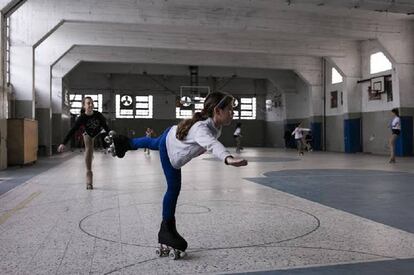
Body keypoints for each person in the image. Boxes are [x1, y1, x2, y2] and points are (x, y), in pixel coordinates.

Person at [108, 92, 248, 256]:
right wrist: (227, 157)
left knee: (153, 142)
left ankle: (125, 143)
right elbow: (211, 144)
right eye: (230, 109)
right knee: (173, 188)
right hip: (170, 148)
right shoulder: (202, 128)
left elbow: (208, 141)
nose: (233, 113)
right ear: (218, 111)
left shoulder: (216, 127)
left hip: (171, 134)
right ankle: (167, 229)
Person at [57, 96, 110, 190]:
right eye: (88, 103)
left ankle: (94, 152)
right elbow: (72, 130)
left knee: (96, 143)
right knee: (89, 149)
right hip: (88, 134)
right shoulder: (82, 117)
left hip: (97, 132)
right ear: (84, 106)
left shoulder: (98, 115)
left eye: (91, 103)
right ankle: (89, 174)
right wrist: (63, 143)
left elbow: (106, 127)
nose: (90, 105)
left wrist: (113, 138)